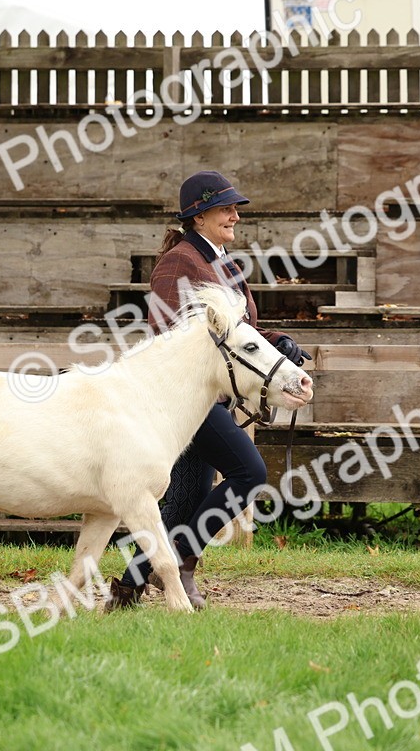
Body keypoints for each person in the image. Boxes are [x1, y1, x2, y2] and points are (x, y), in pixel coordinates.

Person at [106, 171, 312, 611]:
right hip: (183, 400)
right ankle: (181, 561)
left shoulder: (226, 263)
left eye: (236, 208)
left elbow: (238, 332)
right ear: (199, 217)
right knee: (249, 473)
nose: (235, 215)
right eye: (226, 208)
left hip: (209, 397)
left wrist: (277, 343)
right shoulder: (180, 263)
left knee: (184, 501)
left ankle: (126, 590)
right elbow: (171, 334)